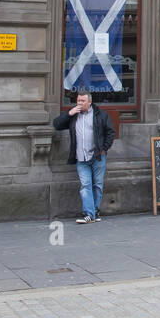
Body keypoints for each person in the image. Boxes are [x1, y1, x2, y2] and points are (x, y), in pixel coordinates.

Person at [52, 90, 116, 224]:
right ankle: (89, 214)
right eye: (78, 100)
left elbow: (110, 132)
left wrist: (104, 148)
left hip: (97, 156)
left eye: (83, 101)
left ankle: (95, 210)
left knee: (97, 185)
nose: (80, 103)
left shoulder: (100, 115)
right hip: (81, 157)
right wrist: (69, 113)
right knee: (85, 185)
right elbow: (57, 125)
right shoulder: (73, 116)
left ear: (90, 102)